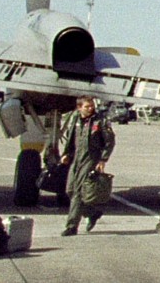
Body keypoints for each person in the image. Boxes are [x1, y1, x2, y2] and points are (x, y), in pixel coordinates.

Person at [55, 97, 115, 235]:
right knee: (69, 190)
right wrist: (66, 154)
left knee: (77, 192)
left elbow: (109, 141)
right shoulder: (76, 119)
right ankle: (92, 213)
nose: (90, 108)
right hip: (76, 158)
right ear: (79, 108)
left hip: (91, 158)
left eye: (91, 106)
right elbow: (71, 138)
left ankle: (71, 226)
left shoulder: (99, 121)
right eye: (87, 106)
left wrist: (103, 160)